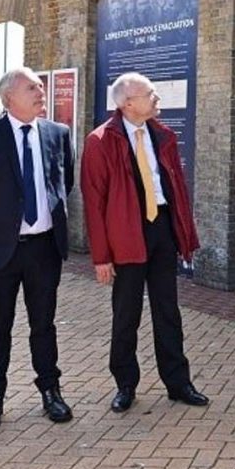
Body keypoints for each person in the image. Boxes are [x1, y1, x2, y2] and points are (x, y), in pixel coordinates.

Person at [0, 67, 74, 430]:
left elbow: (63, 182)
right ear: (9, 98)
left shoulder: (58, 133)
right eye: (31, 88)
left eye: (41, 87)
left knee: (44, 325)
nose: (41, 92)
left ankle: (51, 392)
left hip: (43, 250)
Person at [80, 72, 208, 412]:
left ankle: (178, 383)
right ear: (127, 103)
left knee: (168, 310)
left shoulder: (163, 135)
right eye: (150, 95)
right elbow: (94, 203)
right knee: (126, 313)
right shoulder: (100, 141)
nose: (157, 100)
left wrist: (183, 234)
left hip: (161, 230)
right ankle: (125, 384)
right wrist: (101, 256)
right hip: (125, 234)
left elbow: (176, 188)